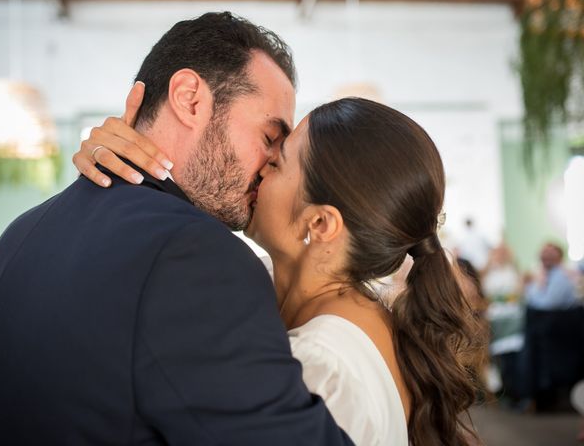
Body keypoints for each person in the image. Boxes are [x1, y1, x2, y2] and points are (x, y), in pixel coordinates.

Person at [0, 12, 353, 446]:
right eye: (269, 138)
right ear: (189, 99)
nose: (271, 167)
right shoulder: (197, 256)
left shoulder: (20, 234)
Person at [75, 94, 485, 444]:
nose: (260, 163)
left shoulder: (320, 371)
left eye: (279, 162)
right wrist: (127, 161)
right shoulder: (336, 302)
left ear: (320, 224)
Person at [525, 242, 579, 310]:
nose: (545, 255)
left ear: (559, 257)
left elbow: (548, 304)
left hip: (558, 318)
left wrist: (530, 291)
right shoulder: (546, 274)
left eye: (550, 253)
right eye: (543, 252)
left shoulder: (561, 277)